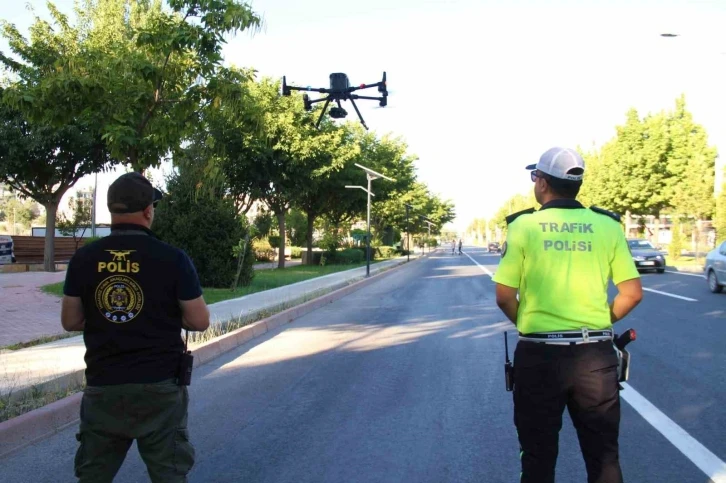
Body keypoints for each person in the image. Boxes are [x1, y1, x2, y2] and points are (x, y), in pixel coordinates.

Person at [492, 147, 643, 483]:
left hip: (539, 358)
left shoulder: (524, 227)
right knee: (604, 458)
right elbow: (632, 294)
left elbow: (504, 296)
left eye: (535, 176)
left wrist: (533, 326)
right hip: (595, 358)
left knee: (537, 456)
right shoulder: (607, 226)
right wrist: (597, 322)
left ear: (542, 183)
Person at [61, 172, 211, 483]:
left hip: (103, 385)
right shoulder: (173, 259)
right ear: (148, 210)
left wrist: (109, 315)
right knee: (169, 475)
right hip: (159, 389)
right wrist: (161, 316)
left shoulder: (84, 259)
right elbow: (199, 321)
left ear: (112, 211)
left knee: (92, 477)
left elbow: (70, 320)